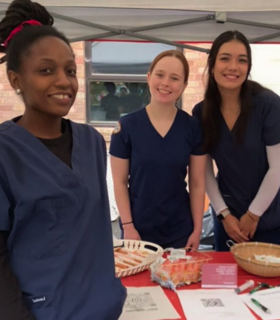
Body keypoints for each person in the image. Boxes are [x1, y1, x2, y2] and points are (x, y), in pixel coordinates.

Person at [0, 1, 126, 319]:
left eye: (70, 70)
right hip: (40, 311)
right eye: (46, 70)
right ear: (16, 80)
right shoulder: (5, 153)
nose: (64, 81)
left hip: (103, 306)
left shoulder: (93, 143)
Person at [192, 30, 280, 252]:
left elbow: (278, 167)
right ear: (212, 64)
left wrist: (253, 214)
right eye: (225, 59)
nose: (233, 67)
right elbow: (205, 169)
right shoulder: (202, 112)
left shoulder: (269, 105)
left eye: (242, 60)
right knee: (226, 281)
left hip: (270, 214)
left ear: (248, 67)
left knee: (266, 281)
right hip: (228, 216)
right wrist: (223, 213)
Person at [110, 50, 206, 249]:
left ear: (184, 86)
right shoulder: (127, 126)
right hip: (137, 230)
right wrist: (128, 226)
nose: (165, 83)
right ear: (149, 77)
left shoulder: (192, 127)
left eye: (174, 78)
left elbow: (197, 183)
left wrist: (197, 230)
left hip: (180, 230)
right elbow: (119, 183)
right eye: (160, 75)